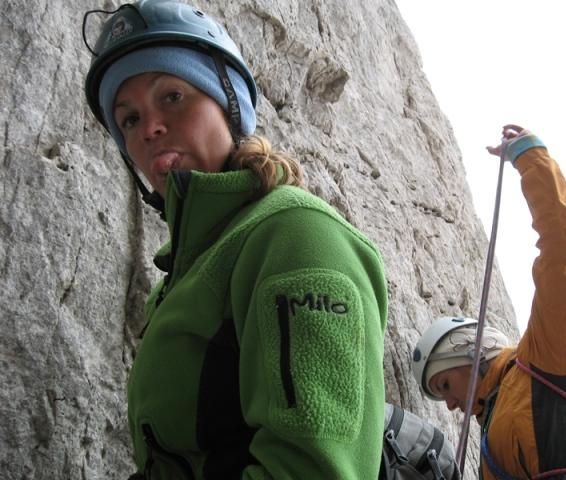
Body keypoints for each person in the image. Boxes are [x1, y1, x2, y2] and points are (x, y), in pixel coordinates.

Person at [82, 1, 388, 479]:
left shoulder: (296, 235)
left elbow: (314, 469)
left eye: (172, 96)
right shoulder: (185, 272)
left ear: (228, 105)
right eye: (130, 120)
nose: (150, 128)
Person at [411, 125, 566, 479]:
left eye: (445, 385)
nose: (448, 405)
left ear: (469, 349)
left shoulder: (544, 354)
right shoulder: (490, 431)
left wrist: (530, 157)